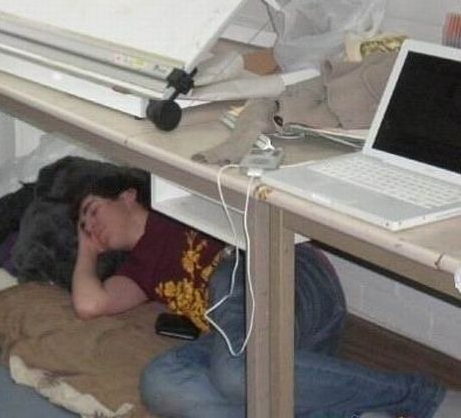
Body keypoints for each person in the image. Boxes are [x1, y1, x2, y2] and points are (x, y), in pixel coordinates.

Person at [70, 171, 459, 418]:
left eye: (92, 211)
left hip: (284, 276)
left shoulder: (172, 203)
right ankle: (349, 410)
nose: (90, 227)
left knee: (236, 364)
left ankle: (422, 397)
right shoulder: (137, 273)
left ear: (127, 195)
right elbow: (90, 303)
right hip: (264, 342)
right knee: (161, 382)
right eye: (83, 227)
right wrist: (86, 250)